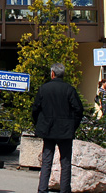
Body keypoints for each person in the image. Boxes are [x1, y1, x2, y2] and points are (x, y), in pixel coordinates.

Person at [33, 63, 84, 193]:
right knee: (65, 162)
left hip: (48, 129)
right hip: (65, 130)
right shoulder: (69, 89)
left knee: (47, 161)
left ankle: (42, 189)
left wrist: (39, 123)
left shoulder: (44, 88)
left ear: (52, 73)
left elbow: (35, 109)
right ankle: (65, 190)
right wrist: (73, 125)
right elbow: (78, 109)